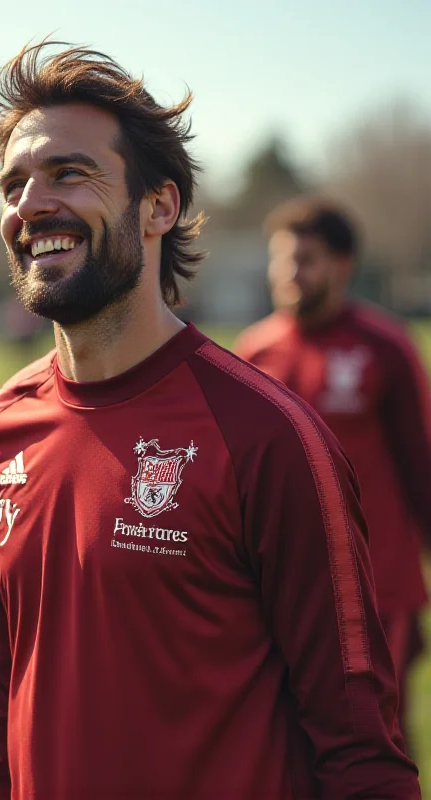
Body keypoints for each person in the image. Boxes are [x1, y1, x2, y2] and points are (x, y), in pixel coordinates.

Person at [0, 42, 421, 799]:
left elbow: (362, 756)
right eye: (14, 183)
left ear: (160, 206)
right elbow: (1, 718)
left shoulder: (268, 435)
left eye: (69, 173)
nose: (30, 204)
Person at [235, 196, 431, 748]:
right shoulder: (255, 351)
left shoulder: (385, 348)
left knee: (377, 738)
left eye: (304, 260)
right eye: (281, 261)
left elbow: (421, 468)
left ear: (342, 265)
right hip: (285, 585)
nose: (288, 275)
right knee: (289, 739)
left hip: (376, 583)